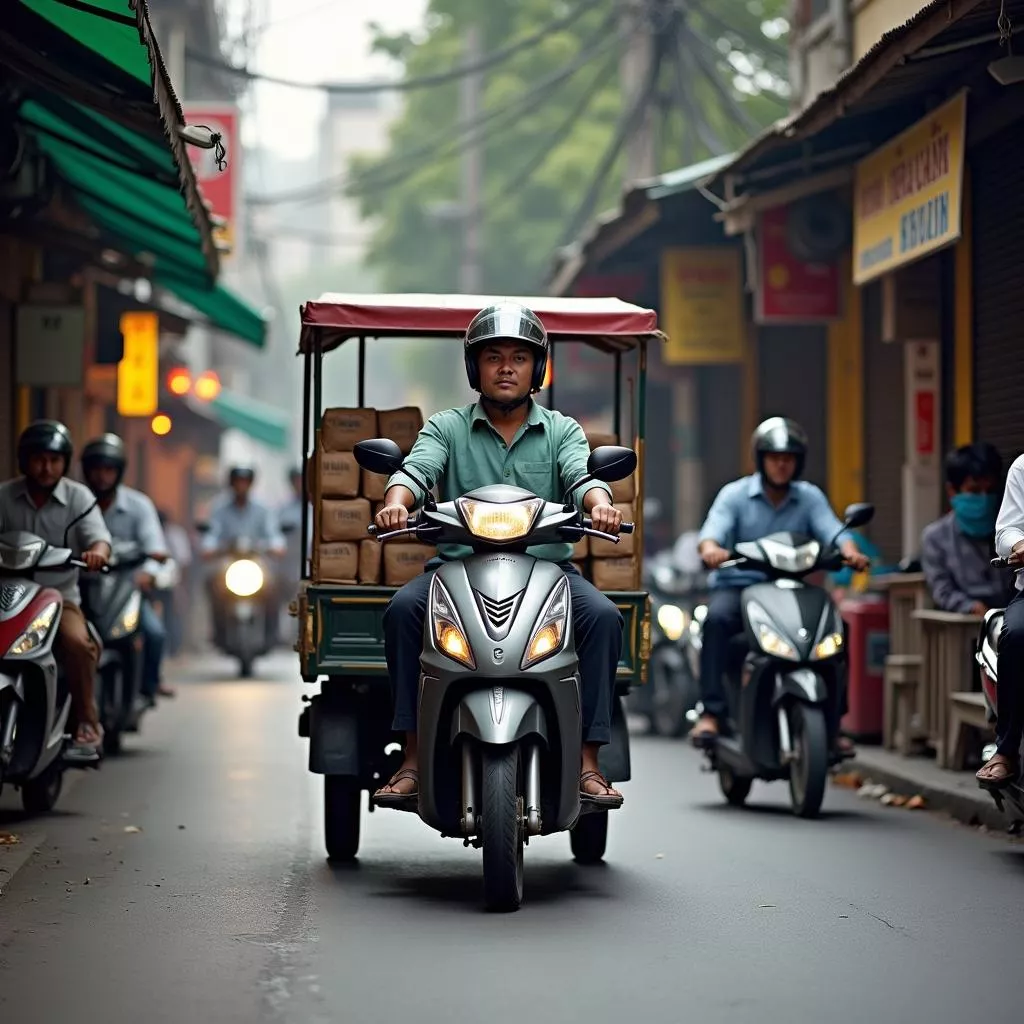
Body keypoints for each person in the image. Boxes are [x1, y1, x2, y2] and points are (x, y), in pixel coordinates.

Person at [373, 302, 626, 809]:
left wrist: (602, 507)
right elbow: (417, 470)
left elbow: (583, 477)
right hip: (456, 570)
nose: (506, 367)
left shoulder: (561, 430)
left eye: (519, 357)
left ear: (538, 368)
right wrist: (394, 504)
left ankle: (588, 762)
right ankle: (413, 757)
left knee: (604, 616)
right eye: (493, 357)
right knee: (402, 610)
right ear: (475, 368)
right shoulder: (446, 427)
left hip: (548, 571)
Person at [692, 417, 869, 748]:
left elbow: (833, 531)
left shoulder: (809, 496)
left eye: (788, 457)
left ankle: (833, 723)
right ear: (761, 459)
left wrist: (851, 552)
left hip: (791, 588)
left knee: (837, 630)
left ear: (798, 462)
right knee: (715, 621)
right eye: (774, 457)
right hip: (739, 586)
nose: (782, 464)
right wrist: (712, 550)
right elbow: (711, 534)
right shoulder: (735, 495)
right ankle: (711, 713)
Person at [0, 421, 111, 761]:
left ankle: (87, 723)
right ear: (24, 461)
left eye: (53, 460)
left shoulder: (79, 497)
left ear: (65, 462)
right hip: (7, 599)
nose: (46, 467)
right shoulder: (4, 496)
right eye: (37, 459)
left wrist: (97, 554)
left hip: (58, 600)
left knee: (78, 644)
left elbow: (100, 538)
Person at [81, 434, 173, 703]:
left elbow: (155, 546)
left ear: (119, 472)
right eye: (96, 469)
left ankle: (149, 686)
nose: (102, 477)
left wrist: (148, 571)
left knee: (155, 633)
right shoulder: (76, 501)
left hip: (126, 591)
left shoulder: (139, 505)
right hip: (82, 589)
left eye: (108, 470)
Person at [921, 443, 1014, 616]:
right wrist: (970, 607)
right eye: (974, 490)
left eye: (990, 490)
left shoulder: (1011, 529)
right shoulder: (935, 538)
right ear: (952, 491)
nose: (984, 499)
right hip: (964, 631)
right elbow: (942, 590)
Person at [977, 451, 1024, 786]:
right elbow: (1007, 529)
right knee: (1016, 635)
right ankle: (1006, 749)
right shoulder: (1023, 467)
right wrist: (1020, 543)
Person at [202, 467, 286, 645]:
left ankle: (272, 631)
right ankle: (217, 630)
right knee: (212, 583)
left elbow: (274, 534)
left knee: (274, 585)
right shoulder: (219, 507)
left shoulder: (263, 508)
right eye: (237, 482)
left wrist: (276, 546)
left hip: (256, 561)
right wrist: (209, 547)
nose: (241, 486)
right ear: (231, 484)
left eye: (245, 482)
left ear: (250, 484)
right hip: (229, 561)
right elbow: (212, 533)